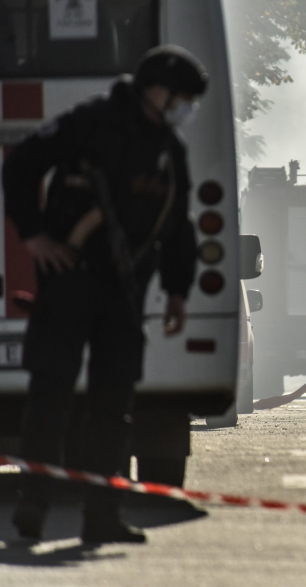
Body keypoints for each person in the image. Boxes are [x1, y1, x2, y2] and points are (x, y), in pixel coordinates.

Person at [3, 45, 205, 543]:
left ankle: (102, 517)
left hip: (123, 290)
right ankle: (33, 508)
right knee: (49, 399)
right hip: (69, 280)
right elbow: (21, 165)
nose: (184, 108)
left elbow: (178, 225)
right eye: (180, 97)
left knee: (113, 408)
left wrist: (178, 291)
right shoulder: (92, 121)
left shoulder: (167, 149)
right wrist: (34, 236)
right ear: (154, 90)